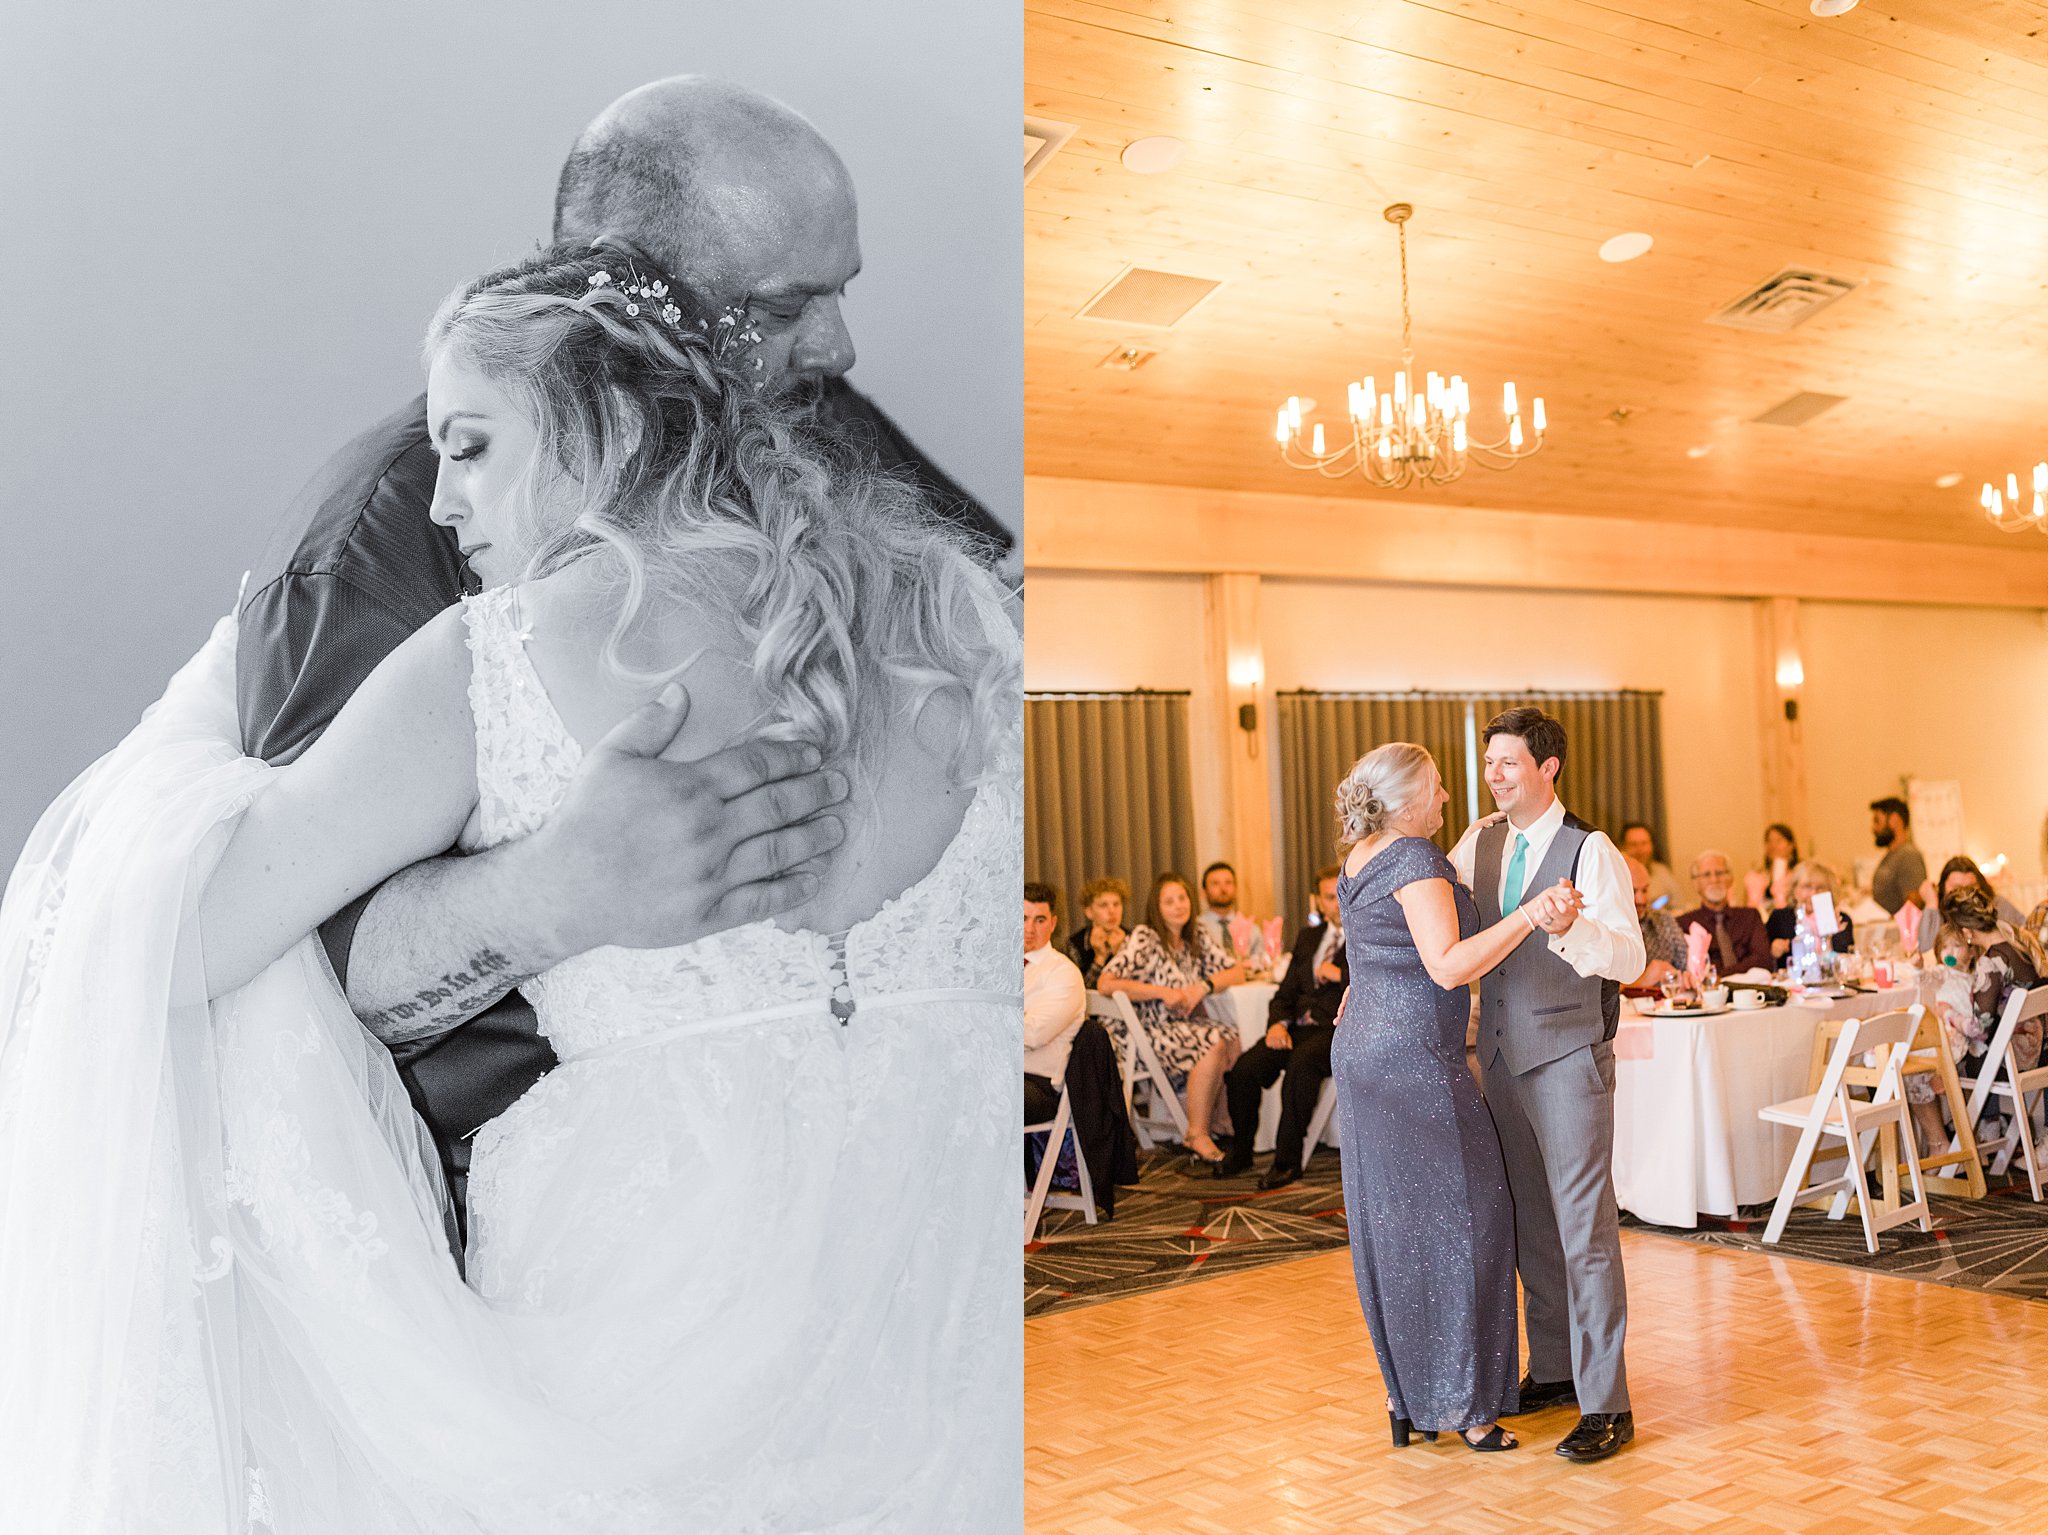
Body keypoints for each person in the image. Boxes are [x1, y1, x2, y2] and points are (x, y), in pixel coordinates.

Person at [0, 244, 1022, 1529]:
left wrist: (195, 728)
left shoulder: (500, 658)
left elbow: (161, 944)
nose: (438, 503)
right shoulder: (974, 628)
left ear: (595, 422)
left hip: (631, 1374)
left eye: (470, 444)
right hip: (959, 1370)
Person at [237, 76, 1014, 1230]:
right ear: (627, 308)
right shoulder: (378, 555)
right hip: (595, 1236)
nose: (838, 343)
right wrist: (540, 893)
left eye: (837, 291)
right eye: (784, 301)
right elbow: (287, 960)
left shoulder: (817, 429)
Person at [1331, 741, 1585, 1453]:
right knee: (1471, 1221)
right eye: (1439, 787)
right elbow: (1446, 966)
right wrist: (1531, 913)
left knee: (1394, 1228)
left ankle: (1407, 1397)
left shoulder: (1362, 857)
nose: (1449, 797)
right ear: (1409, 797)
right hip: (1414, 1061)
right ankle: (1470, 1407)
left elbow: (1373, 955)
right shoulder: (1413, 859)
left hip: (1365, 1054)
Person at [1458, 707, 1644, 1463]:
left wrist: (1569, 928)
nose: (1495, 775)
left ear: (1547, 767)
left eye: (1508, 762)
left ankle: (1607, 1402)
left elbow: (1629, 959)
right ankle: (1557, 1369)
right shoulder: (1478, 840)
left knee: (1585, 1234)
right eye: (1490, 763)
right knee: (1532, 1226)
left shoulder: (1590, 850)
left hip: (1569, 1058)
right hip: (1500, 1060)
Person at [1098, 871, 1253, 1163]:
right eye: (1169, 901)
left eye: (1182, 898)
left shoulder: (1196, 935)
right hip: (1142, 1032)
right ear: (1157, 907)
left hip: (1179, 1026)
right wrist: (1161, 992)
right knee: (1214, 1041)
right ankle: (1196, 1132)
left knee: (1233, 1037)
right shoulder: (1146, 937)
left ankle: (1219, 1121)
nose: (1178, 906)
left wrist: (1202, 987)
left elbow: (1237, 972)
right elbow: (1106, 982)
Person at [1215, 865, 1349, 1188]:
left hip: (1337, 1028)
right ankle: (1242, 1150)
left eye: (1341, 894)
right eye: (1329, 897)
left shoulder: (1366, 934)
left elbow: (1382, 983)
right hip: (1297, 1027)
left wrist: (1341, 976)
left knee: (1300, 1066)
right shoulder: (1308, 937)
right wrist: (1278, 1024)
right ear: (1319, 901)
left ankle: (1287, 1163)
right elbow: (1285, 992)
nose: (1336, 903)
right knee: (1244, 1069)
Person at [1929, 887, 2048, 1152]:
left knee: (1949, 1060)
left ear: (1968, 933)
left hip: (2014, 1059)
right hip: (2040, 1048)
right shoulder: (2019, 947)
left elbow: (1979, 1029)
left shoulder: (1991, 962)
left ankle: (1978, 1132)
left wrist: (1947, 1012)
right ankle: (1991, 1126)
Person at [1025, 883, 1087, 1128]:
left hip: (1037, 1086)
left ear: (1053, 923)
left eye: (1039, 920)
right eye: (1023, 918)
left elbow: (1032, 1034)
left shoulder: (1063, 974)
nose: (1029, 929)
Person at [1676, 850, 1773, 975]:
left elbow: (1763, 960)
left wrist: (1720, 975)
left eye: (1720, 873)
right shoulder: (1683, 924)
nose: (1714, 879)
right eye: (1706, 875)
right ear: (1696, 883)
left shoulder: (1750, 916)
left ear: (1731, 878)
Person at [1914, 855, 2024, 955]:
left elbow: (2024, 934)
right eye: (1956, 888)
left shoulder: (1996, 905)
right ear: (1943, 888)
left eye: (1971, 887)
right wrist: (1931, 903)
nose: (1964, 894)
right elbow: (1926, 953)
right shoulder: (1937, 912)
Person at [1766, 860, 1855, 961]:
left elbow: (1844, 955)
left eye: (1820, 888)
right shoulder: (1779, 918)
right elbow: (1763, 955)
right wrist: (1773, 950)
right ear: (1795, 890)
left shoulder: (1841, 919)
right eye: (1807, 887)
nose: (1813, 893)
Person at [1627, 856, 1686, 988]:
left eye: (1645, 890)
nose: (1641, 900)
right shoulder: (1602, 929)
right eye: (1632, 891)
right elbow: (1597, 995)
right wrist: (1640, 983)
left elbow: (1686, 968)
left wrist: (1688, 978)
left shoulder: (1664, 920)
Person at [1197, 859, 1269, 966]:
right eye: (1215, 883)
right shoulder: (1196, 928)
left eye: (1228, 883)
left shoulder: (1252, 929)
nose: (1223, 889)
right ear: (1203, 892)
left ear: (1236, 890)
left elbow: (1263, 962)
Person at [1067, 875, 1131, 988]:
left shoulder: (1135, 938)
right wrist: (1100, 958)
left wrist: (1120, 953)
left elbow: (1140, 985)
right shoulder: (1075, 943)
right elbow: (1080, 992)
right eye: (1103, 905)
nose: (1112, 911)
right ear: (1089, 912)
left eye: (1116, 904)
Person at [1869, 796, 1927, 915]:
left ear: (1894, 820)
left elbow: (1914, 902)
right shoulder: (1892, 855)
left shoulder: (1908, 855)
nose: (1873, 828)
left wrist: (1893, 923)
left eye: (1877, 821)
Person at [1618, 822, 1682, 914]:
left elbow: (1679, 906)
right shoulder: (1615, 877)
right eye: (1633, 844)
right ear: (1622, 847)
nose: (1640, 850)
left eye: (1644, 843)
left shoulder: (1662, 871)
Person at [1744, 823, 1799, 915]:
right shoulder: (1755, 876)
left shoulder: (1798, 875)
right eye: (1769, 841)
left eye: (1778, 841)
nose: (1773, 845)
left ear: (1791, 845)